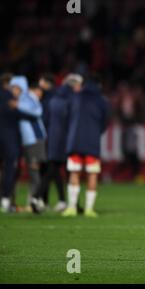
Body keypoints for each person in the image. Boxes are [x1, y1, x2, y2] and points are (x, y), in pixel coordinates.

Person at [62, 75, 110, 217]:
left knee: (74, 172)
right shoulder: (102, 101)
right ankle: (89, 209)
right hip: (92, 142)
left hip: (74, 140)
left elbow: (67, 116)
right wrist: (96, 132)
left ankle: (71, 208)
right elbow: (105, 121)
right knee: (92, 173)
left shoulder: (75, 97)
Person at [41, 74, 83, 212]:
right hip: (66, 141)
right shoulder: (71, 99)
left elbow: (46, 119)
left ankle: (58, 201)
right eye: (79, 85)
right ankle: (68, 203)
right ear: (74, 85)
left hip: (52, 139)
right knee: (65, 171)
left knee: (54, 170)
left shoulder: (54, 98)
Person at [9, 77, 47, 214]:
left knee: (33, 170)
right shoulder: (18, 99)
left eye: (16, 87)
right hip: (23, 140)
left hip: (32, 140)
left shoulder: (25, 100)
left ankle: (32, 201)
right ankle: (12, 201)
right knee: (15, 170)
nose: (13, 90)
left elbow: (37, 112)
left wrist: (17, 106)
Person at [0, 73, 25, 212]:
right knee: (10, 170)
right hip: (9, 139)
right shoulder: (10, 98)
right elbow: (18, 114)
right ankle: (6, 201)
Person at [38, 73, 56, 207]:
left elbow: (45, 119)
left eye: (41, 82)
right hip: (50, 137)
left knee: (48, 167)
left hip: (47, 137)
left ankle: (41, 198)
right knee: (49, 168)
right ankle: (44, 200)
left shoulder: (48, 100)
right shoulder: (52, 98)